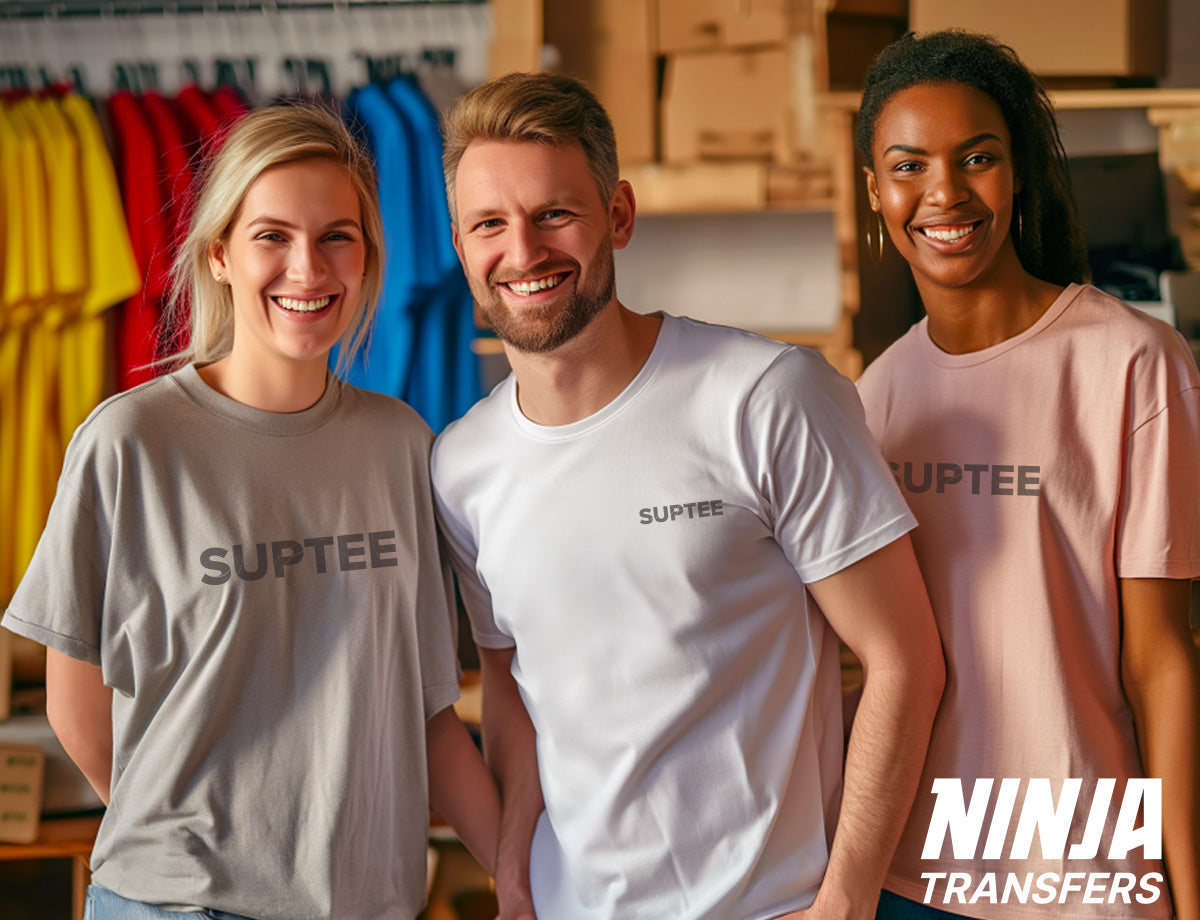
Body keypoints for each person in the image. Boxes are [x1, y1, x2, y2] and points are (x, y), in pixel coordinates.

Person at [431, 71, 945, 920]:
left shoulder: (768, 396)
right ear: (459, 245)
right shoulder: (461, 465)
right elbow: (512, 686)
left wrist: (847, 899)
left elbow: (906, 661)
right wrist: (515, 868)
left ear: (618, 216)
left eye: (555, 213)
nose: (522, 252)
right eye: (491, 223)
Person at [1, 101, 499, 920]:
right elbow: (76, 701)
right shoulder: (132, 442)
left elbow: (430, 714)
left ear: (369, 259)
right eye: (273, 236)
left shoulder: (400, 446)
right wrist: (189, 859)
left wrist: (520, 875)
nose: (308, 269)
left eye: (337, 236)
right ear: (220, 255)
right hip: (182, 906)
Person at [854, 30, 1200, 920]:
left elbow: (1159, 659)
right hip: (915, 872)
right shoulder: (876, 397)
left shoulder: (1133, 363)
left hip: (1084, 873)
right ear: (874, 192)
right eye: (909, 165)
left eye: (978, 158)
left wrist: (1187, 893)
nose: (944, 193)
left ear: (1017, 176)